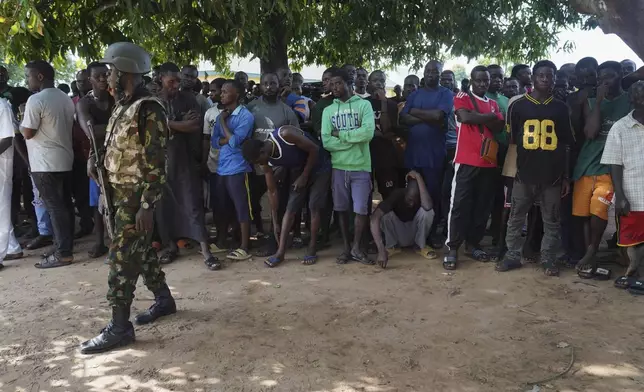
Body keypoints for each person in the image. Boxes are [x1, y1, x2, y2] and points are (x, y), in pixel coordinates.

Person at [80, 42, 176, 354]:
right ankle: (164, 299)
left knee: (121, 260)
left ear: (125, 73)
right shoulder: (123, 104)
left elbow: (156, 162)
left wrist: (147, 205)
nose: (106, 78)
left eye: (110, 72)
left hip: (135, 199)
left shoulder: (149, 109)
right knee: (142, 250)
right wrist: (98, 162)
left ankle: (120, 327)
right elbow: (121, 147)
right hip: (117, 194)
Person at [497, 60, 574, 277]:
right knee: (516, 217)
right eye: (540, 75)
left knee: (552, 219)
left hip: (552, 176)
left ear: (555, 78)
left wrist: (566, 176)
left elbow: (566, 145)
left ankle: (548, 259)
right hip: (524, 174)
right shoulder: (518, 106)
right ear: (533, 78)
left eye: (549, 76)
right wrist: (510, 174)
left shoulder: (560, 108)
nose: (545, 79)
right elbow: (513, 143)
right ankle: (512, 255)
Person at [154, 62, 218, 270]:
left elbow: (193, 125)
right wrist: (176, 123)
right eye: (171, 81)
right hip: (161, 162)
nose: (175, 85)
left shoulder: (188, 99)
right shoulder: (153, 103)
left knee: (192, 204)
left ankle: (205, 250)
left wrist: (167, 123)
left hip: (185, 160)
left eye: (177, 81)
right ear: (160, 79)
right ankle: (172, 247)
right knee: (165, 206)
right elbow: (151, 130)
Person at [242, 125, 331, 267]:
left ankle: (312, 248)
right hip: (300, 169)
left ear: (262, 151)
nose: (260, 165)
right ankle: (280, 252)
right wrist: (275, 219)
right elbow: (272, 191)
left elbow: (314, 149)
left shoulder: (285, 135)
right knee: (290, 209)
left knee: (314, 205)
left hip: (320, 168)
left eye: (259, 161)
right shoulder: (265, 161)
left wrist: (304, 176)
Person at [573, 61, 631, 278]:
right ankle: (592, 255)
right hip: (587, 164)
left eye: (610, 77)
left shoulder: (630, 100)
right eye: (601, 78)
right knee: (584, 213)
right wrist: (598, 102)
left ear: (620, 77)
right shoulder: (590, 101)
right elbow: (591, 132)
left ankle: (592, 251)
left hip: (612, 166)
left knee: (599, 208)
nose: (605, 82)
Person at [444, 66, 505, 270]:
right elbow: (465, 118)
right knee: (459, 205)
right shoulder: (462, 96)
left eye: (485, 81)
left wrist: (483, 117)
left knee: (482, 206)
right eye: (478, 80)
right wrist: (491, 117)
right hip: (466, 160)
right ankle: (453, 247)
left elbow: (499, 127)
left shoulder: (494, 102)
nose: (482, 84)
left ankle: (473, 244)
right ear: (471, 80)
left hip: (488, 161)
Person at [20, 60, 76, 269]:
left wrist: (20, 117)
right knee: (65, 205)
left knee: (54, 207)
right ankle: (63, 246)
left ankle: (63, 253)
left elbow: (27, 132)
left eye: (29, 76)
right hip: (65, 159)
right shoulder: (65, 98)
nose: (27, 80)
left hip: (44, 163)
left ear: (40, 76)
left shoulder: (36, 100)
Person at [321, 68, 375, 264]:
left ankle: (356, 248)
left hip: (361, 166)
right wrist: (351, 140)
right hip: (339, 167)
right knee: (341, 209)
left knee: (361, 209)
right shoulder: (328, 110)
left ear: (348, 83)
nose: (334, 87)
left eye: (338, 83)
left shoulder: (364, 106)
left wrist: (341, 135)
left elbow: (367, 134)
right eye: (331, 84)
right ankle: (345, 247)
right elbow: (326, 141)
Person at [400, 60, 454, 246]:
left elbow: (439, 116)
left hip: (434, 154)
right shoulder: (415, 94)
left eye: (435, 71)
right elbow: (404, 119)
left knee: (433, 194)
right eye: (428, 71)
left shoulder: (446, 94)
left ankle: (431, 234)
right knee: (412, 195)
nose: (431, 74)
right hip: (413, 153)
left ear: (440, 74)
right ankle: (414, 232)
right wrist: (427, 116)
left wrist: (415, 112)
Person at [246, 72, 300, 253]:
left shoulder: (287, 111)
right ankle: (256, 234)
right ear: (260, 86)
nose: (269, 87)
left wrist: (285, 167)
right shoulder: (251, 108)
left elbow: (296, 140)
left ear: (279, 85)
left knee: (277, 205)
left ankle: (275, 239)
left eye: (273, 83)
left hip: (279, 168)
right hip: (255, 167)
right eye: (265, 83)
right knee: (252, 202)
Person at [601, 81, 644, 291]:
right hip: (633, 195)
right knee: (632, 240)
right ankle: (633, 273)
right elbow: (614, 164)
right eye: (637, 95)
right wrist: (621, 195)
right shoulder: (619, 127)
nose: (642, 99)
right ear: (631, 99)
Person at [212, 79, 255, 261]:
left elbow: (236, 142)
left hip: (238, 167)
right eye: (221, 91)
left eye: (225, 92)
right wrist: (227, 137)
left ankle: (245, 246)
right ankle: (224, 242)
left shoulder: (245, 116)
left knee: (242, 207)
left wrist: (223, 123)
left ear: (236, 95)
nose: (221, 95)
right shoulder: (220, 115)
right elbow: (216, 142)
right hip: (222, 167)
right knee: (223, 207)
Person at [76, 61, 115, 259]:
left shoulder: (116, 97)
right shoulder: (84, 103)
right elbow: (90, 132)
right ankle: (100, 242)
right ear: (89, 79)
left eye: (105, 74)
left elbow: (98, 129)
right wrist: (118, 124)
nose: (102, 78)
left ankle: (117, 241)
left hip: (119, 154)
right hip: (97, 155)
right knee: (99, 201)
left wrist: (104, 128)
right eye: (98, 75)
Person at [371, 170, 434, 269]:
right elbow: (375, 218)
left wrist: (418, 176)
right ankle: (391, 246)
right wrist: (381, 249)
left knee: (428, 212)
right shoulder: (397, 194)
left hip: (415, 234)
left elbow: (427, 206)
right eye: (409, 199)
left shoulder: (423, 196)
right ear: (405, 191)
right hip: (399, 234)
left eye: (415, 200)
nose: (412, 204)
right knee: (383, 213)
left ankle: (420, 246)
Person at [367, 70, 400, 200]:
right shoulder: (363, 103)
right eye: (375, 80)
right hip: (366, 154)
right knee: (365, 193)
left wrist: (384, 102)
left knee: (388, 192)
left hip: (385, 155)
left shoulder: (392, 105)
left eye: (382, 80)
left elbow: (387, 131)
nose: (379, 83)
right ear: (369, 83)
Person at [0, 95, 23, 269]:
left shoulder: (2, 106)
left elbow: (7, 139)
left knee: (2, 208)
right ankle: (13, 247)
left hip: (1, 166)